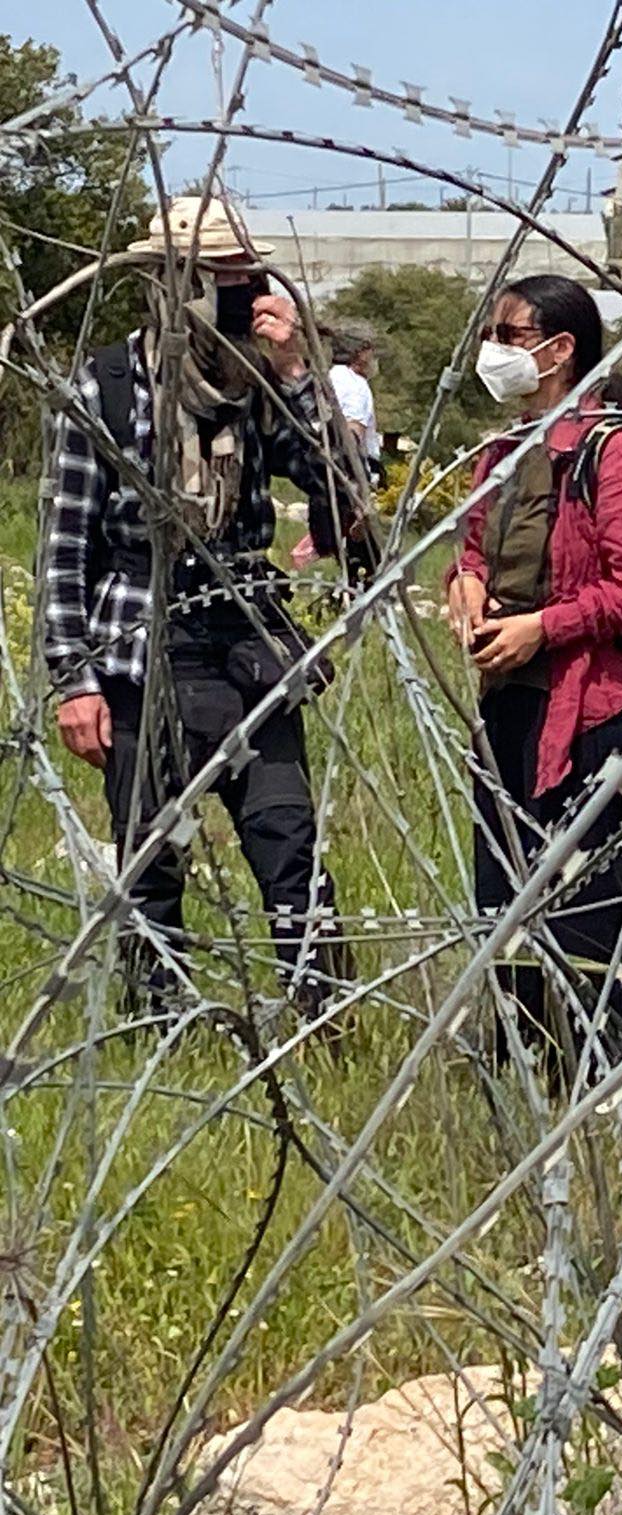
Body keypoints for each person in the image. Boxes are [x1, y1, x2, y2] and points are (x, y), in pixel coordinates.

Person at [42, 193, 359, 1011]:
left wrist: (294, 369)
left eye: (245, 279)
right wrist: (73, 681)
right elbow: (64, 543)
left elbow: (338, 482)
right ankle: (159, 1020)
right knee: (151, 853)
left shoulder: (257, 385)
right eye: (221, 280)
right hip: (141, 650)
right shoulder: (106, 387)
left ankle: (318, 1011)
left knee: (286, 837)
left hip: (248, 643)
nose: (238, 296)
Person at [446, 274, 622, 1071]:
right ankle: (524, 1064)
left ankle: (599, 1067)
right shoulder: (503, 453)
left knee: (588, 898)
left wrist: (544, 628)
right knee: (502, 894)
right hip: (508, 700)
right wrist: (466, 588)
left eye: (509, 338)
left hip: (591, 711)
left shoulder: (619, 452)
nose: (495, 353)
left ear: (559, 349)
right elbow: (476, 548)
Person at [325, 327, 382, 488]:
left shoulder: (331, 377)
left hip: (330, 474)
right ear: (360, 353)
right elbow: (352, 435)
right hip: (350, 478)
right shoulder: (355, 385)